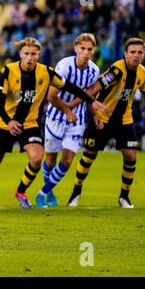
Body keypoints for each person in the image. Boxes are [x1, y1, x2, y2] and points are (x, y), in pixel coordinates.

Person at [0, 37, 107, 209]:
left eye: (33, 54)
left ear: (39, 54)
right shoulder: (8, 70)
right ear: (20, 54)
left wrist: (91, 100)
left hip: (30, 124)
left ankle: (21, 192)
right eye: (26, 54)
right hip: (5, 124)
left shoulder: (46, 72)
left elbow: (70, 87)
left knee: (37, 158)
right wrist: (9, 122)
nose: (30, 57)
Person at [67, 37, 145, 208]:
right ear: (125, 54)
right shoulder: (116, 70)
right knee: (89, 155)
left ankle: (124, 196)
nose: (136, 56)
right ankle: (76, 191)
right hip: (102, 118)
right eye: (132, 52)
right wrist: (71, 106)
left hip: (125, 121)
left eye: (140, 52)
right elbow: (94, 89)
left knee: (131, 157)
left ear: (143, 54)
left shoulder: (143, 72)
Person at [35, 33, 100, 208]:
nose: (86, 52)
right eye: (83, 49)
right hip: (55, 117)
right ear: (76, 48)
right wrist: (67, 110)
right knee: (50, 159)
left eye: (90, 49)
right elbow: (51, 96)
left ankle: (43, 193)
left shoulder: (94, 71)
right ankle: (50, 193)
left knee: (68, 160)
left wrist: (95, 115)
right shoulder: (64, 66)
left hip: (76, 120)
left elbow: (88, 96)